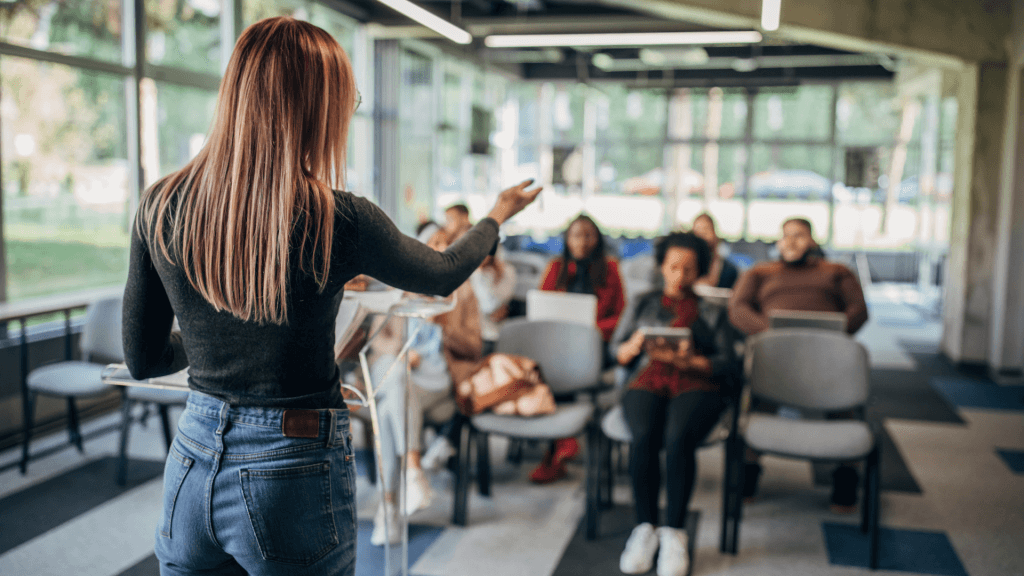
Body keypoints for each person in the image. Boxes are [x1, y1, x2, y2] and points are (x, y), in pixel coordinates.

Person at [121, 17, 540, 576]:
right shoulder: (337, 217)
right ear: (315, 106)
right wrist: (496, 216)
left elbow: (143, 358)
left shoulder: (160, 203)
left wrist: (211, 345)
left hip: (191, 459)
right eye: (347, 99)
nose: (349, 112)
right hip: (290, 466)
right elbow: (442, 273)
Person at [613, 232, 736, 576]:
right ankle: (645, 527)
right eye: (673, 267)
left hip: (696, 382)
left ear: (699, 271)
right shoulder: (641, 302)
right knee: (643, 435)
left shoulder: (712, 310)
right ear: (661, 267)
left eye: (688, 269)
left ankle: (675, 532)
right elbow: (616, 352)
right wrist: (634, 345)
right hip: (647, 377)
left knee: (677, 437)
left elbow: (727, 363)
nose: (679, 276)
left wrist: (691, 362)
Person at [727, 217, 869, 513]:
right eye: (785, 236)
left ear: (813, 241)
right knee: (760, 400)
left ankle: (846, 475)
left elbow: (859, 309)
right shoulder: (760, 272)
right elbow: (737, 308)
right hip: (775, 354)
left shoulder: (836, 271)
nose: (791, 241)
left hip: (826, 355)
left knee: (843, 400)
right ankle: (749, 472)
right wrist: (769, 333)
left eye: (799, 235)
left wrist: (837, 332)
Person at [367, 227, 483, 546]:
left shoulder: (463, 292)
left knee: (391, 412)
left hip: (436, 383)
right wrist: (403, 354)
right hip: (395, 371)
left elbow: (475, 348)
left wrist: (446, 328)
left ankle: (389, 507)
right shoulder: (396, 286)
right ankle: (413, 471)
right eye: (431, 243)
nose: (438, 249)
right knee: (397, 384)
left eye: (445, 244)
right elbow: (378, 341)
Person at [532, 214, 626, 483]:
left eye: (588, 235)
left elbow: (620, 316)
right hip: (557, 344)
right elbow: (542, 308)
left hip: (597, 344)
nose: (582, 241)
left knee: (562, 368)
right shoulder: (556, 268)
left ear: (597, 239)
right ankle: (560, 445)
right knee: (548, 366)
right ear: (567, 239)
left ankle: (558, 448)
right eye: (576, 235)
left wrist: (591, 328)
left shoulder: (610, 269)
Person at [470, 248, 517, 356]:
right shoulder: (471, 273)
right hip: (471, 330)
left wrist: (478, 275)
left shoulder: (507, 272)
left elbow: (491, 306)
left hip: (492, 331)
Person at [691, 213, 739, 289]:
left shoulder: (730, 271)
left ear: (714, 234)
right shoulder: (686, 267)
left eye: (706, 230)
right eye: (697, 232)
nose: (702, 235)